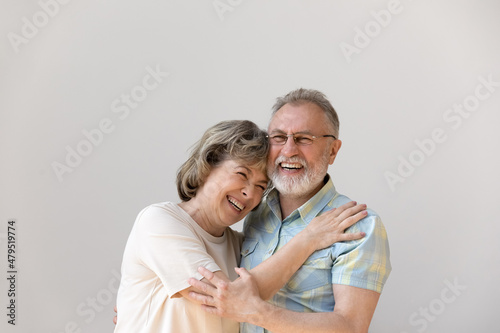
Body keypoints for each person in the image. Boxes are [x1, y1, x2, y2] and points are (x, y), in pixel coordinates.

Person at [113, 119, 368, 333]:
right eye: (242, 174)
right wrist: (310, 237)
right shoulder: (159, 221)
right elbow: (229, 297)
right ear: (209, 164)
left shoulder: (240, 247)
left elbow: (244, 303)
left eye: (260, 186)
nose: (249, 193)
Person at [188, 89, 392, 333]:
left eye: (304, 139)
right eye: (278, 137)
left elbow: (351, 326)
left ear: (333, 151)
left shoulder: (358, 224)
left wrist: (256, 312)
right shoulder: (255, 214)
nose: (289, 150)